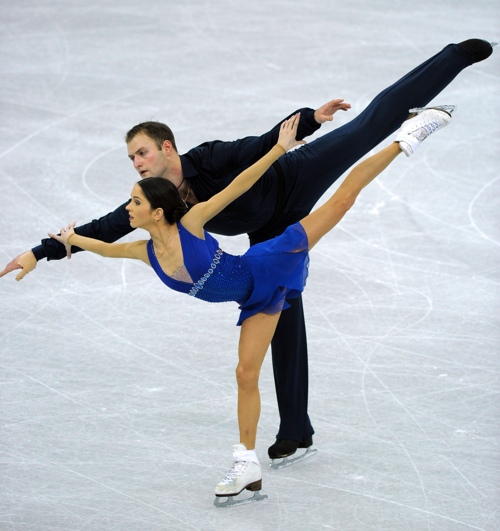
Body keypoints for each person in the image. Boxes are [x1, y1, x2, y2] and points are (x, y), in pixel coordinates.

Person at [1, 39, 495, 463]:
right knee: (283, 315)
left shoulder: (209, 158)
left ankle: (453, 58)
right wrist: (39, 253)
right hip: (270, 230)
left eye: (142, 152)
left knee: (368, 127)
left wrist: (309, 119)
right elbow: (102, 229)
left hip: (294, 175)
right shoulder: (158, 202)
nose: (137, 163)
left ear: (167, 148)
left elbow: (258, 147)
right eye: (131, 157)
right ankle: (296, 430)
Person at [48, 106, 453, 504]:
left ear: (156, 212)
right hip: (256, 299)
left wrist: (278, 149)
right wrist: (70, 240)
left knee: (341, 202)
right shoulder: (144, 251)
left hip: (271, 261)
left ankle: (407, 138)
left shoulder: (191, 223)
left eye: (134, 202)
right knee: (245, 373)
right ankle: (246, 464)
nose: (127, 209)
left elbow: (238, 185)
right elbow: (103, 246)